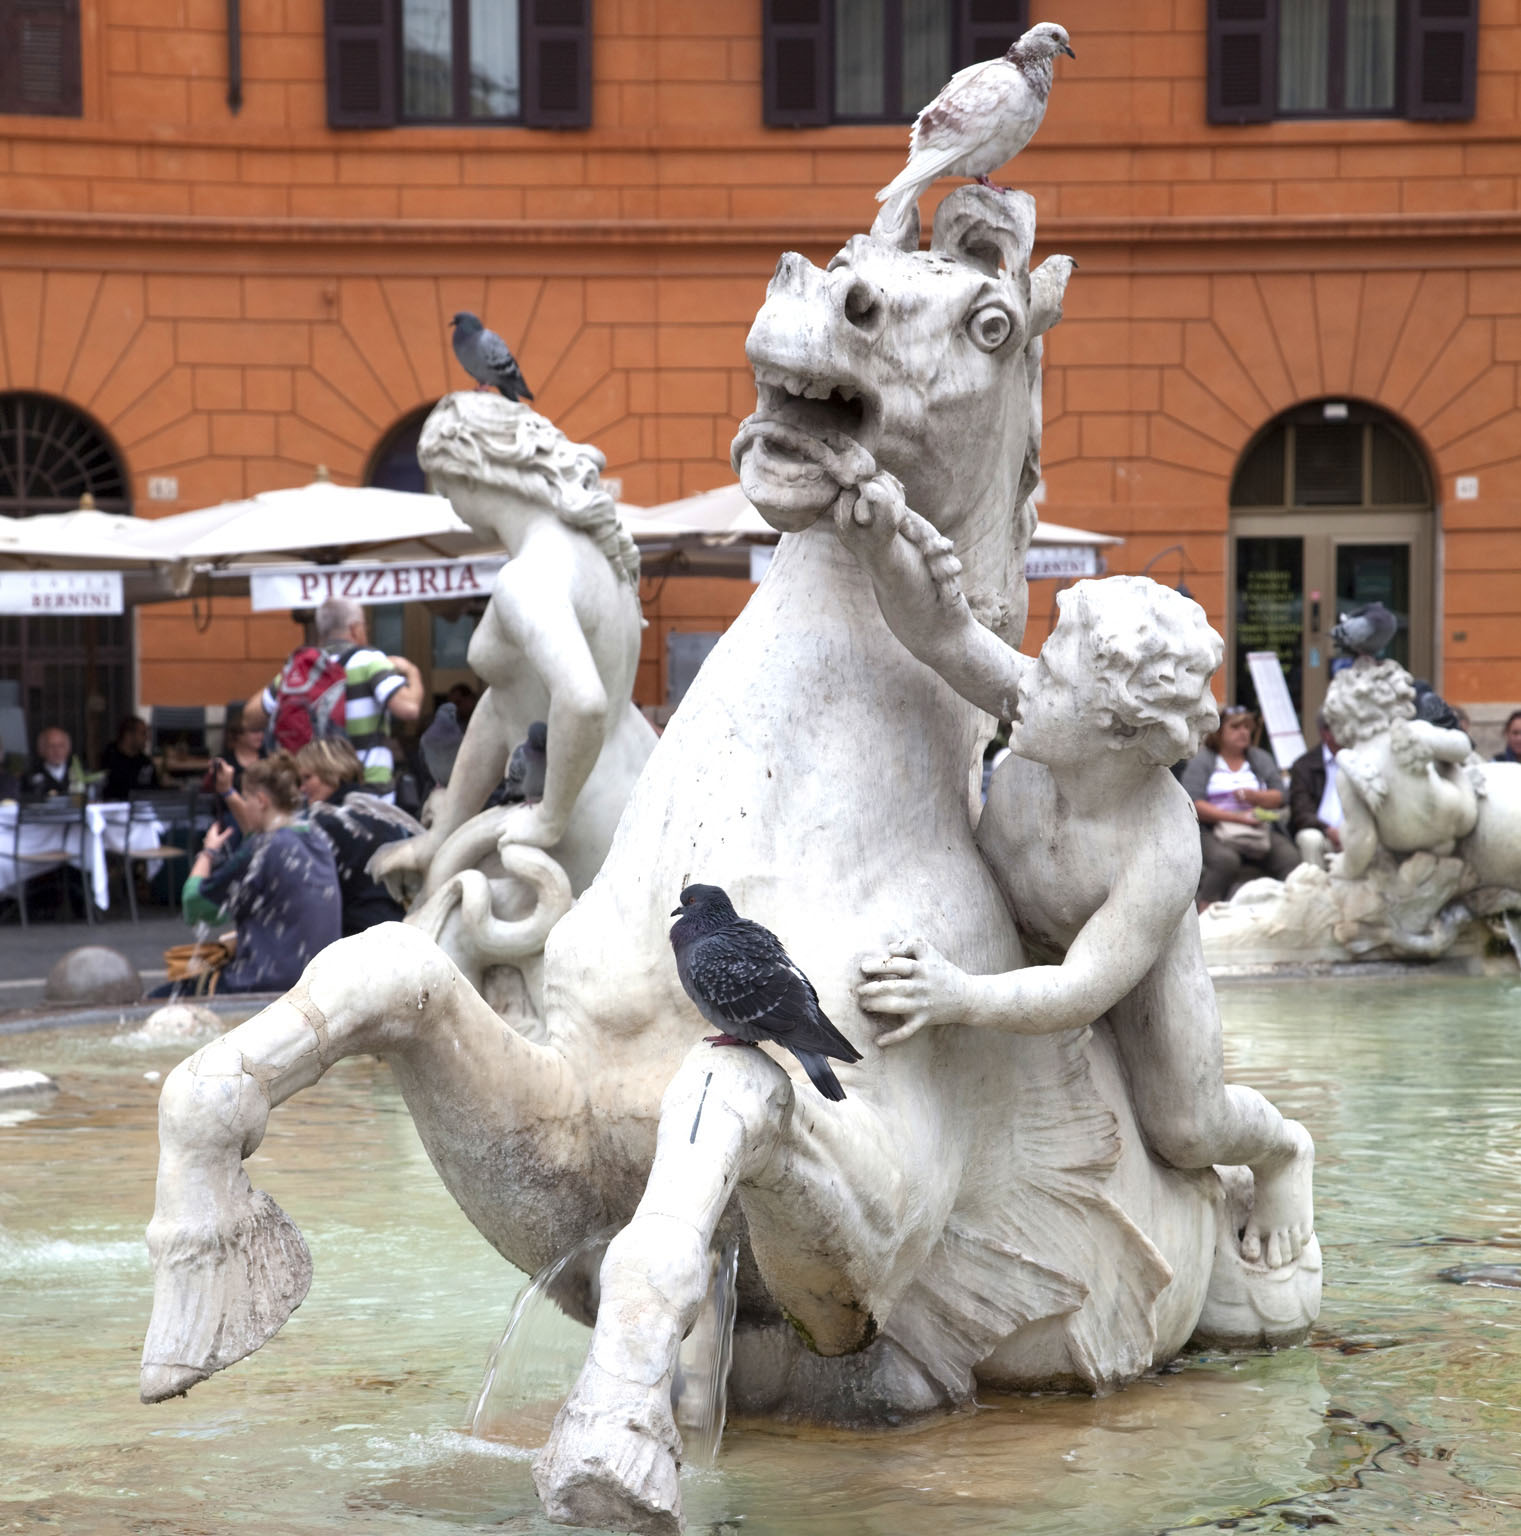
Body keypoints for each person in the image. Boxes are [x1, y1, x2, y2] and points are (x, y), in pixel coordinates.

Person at [834, 504, 1312, 1268]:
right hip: (1019, 927)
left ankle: (1283, 1150)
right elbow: (945, 637)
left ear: (1116, 731)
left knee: (1188, 1126)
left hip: (1137, 972)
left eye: (1051, 678)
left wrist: (956, 995)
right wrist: (884, 550)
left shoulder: (1156, 846)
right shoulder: (1048, 718)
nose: (1028, 683)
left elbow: (1084, 988)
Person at [177, 753, 342, 994]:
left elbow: (195, 905)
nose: (245, 805)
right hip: (320, 984)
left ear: (261, 800)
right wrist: (228, 792)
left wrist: (208, 853)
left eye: (246, 798)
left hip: (264, 985)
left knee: (158, 1000)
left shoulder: (264, 848)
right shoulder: (315, 837)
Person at [242, 597, 424, 801]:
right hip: (370, 790)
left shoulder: (303, 670)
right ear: (355, 629)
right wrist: (412, 671)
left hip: (318, 791)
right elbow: (409, 708)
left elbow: (250, 718)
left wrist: (285, 675)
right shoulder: (369, 660)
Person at [1180, 706, 1300, 907]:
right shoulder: (1204, 760)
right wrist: (1236, 817)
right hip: (1212, 830)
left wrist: (1256, 797)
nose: (1243, 732)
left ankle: (1287, 910)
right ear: (1220, 732)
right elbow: (1193, 802)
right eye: (1235, 727)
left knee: (1290, 857)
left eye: (1247, 727)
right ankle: (1205, 910)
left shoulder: (1259, 758)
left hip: (1257, 828)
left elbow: (1280, 796)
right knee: (1225, 860)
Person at [293, 737, 414, 935]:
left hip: (355, 938)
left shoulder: (326, 821)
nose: (302, 788)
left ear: (331, 771)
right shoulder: (380, 812)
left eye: (307, 778)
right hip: (400, 928)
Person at [1287, 714, 1343, 870]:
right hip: (1322, 832)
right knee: (1310, 839)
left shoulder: (1362, 760)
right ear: (1325, 732)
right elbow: (1301, 812)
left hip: (1356, 831)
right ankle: (1315, 889)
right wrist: (1328, 830)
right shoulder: (1304, 766)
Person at [100, 715, 159, 801]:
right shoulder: (110, 757)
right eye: (143, 734)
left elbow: (155, 790)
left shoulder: (145, 762)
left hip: (142, 810)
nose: (147, 738)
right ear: (128, 735)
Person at [22, 726, 80, 799]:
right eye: (51, 746)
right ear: (41, 749)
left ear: (68, 748)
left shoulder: (81, 773)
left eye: (61, 746)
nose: (57, 751)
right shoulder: (29, 777)